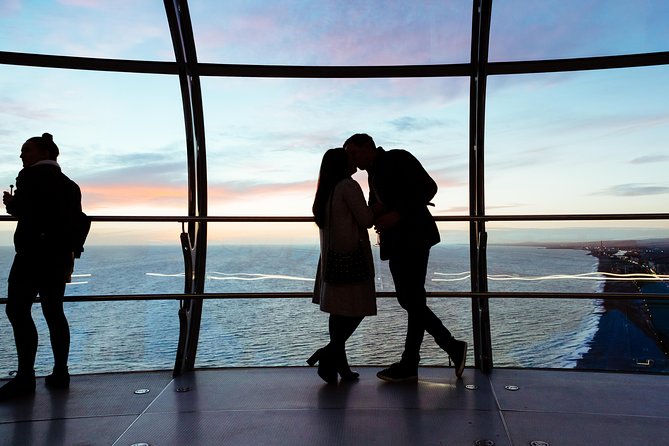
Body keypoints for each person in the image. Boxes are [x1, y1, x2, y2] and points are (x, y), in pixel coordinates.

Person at [344, 133, 467, 382]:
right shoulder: (374, 172)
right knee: (410, 299)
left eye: (354, 152)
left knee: (411, 299)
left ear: (368, 146)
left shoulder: (398, 158)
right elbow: (386, 202)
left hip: (413, 238)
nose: (353, 160)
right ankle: (447, 348)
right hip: (404, 240)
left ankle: (414, 362)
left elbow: (429, 188)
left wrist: (396, 215)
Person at [0, 133, 82, 400]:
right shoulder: (70, 185)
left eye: (26, 150)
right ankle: (60, 372)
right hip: (58, 257)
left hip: (31, 256)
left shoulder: (29, 177)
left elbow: (26, 210)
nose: (21, 155)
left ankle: (25, 376)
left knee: (17, 310)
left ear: (44, 153)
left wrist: (11, 204)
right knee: (54, 312)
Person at [309, 147, 377, 384]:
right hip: (352, 258)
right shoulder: (348, 186)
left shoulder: (326, 190)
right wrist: (378, 204)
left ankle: (339, 363)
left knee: (338, 313)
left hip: (332, 258)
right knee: (358, 308)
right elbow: (367, 220)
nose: (354, 162)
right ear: (341, 164)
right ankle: (329, 353)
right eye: (350, 159)